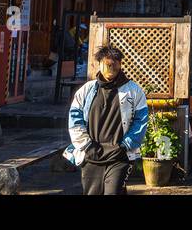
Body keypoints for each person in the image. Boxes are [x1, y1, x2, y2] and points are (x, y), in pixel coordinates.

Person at [63, 46, 149, 195]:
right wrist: (87, 147)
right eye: (107, 64)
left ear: (120, 64)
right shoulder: (86, 90)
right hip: (91, 155)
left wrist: (125, 146)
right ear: (99, 63)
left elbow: (141, 121)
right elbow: (75, 120)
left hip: (119, 156)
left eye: (114, 64)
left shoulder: (134, 91)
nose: (111, 68)